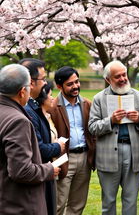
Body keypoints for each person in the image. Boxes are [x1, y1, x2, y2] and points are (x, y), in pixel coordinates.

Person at [89, 60, 139, 215]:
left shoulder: (138, 96)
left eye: (124, 74)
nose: (123, 78)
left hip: (133, 153)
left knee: (131, 199)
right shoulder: (99, 98)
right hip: (108, 155)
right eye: (118, 76)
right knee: (108, 200)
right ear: (108, 80)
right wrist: (110, 120)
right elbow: (92, 127)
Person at [0, 64, 60, 214]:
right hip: (19, 204)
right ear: (22, 92)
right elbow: (21, 171)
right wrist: (48, 169)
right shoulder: (17, 121)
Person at [20, 58, 65, 215]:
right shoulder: (27, 111)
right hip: (38, 176)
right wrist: (58, 147)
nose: (46, 83)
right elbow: (38, 149)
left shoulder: (32, 107)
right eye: (43, 79)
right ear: (31, 82)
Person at [49, 66, 95, 215]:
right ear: (59, 86)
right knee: (58, 204)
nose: (75, 86)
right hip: (62, 159)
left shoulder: (87, 104)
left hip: (84, 158)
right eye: (70, 84)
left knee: (78, 205)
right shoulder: (52, 107)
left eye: (77, 82)